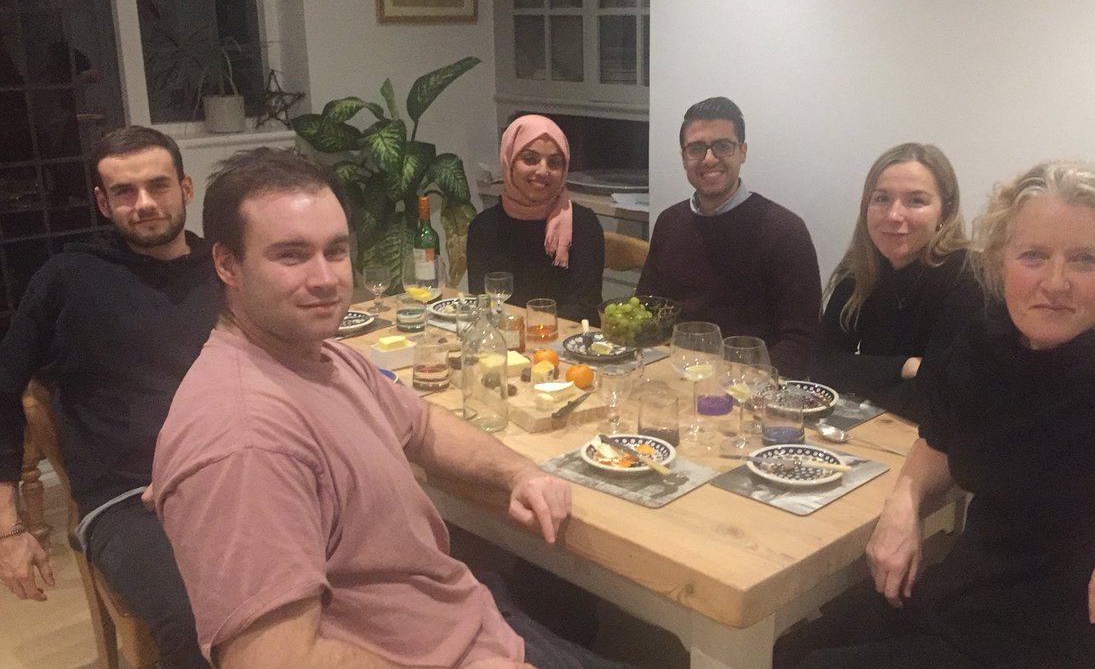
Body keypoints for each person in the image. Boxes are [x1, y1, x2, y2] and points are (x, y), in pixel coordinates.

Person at [153, 147, 628, 669]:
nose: (326, 277)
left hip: (467, 623)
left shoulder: (321, 356)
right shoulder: (245, 442)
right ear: (227, 264)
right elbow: (275, 660)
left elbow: (421, 424)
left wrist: (520, 473)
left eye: (336, 250)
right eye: (291, 255)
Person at [780, 161, 1095, 668]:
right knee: (786, 647)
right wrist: (904, 503)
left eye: (1084, 259)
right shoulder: (986, 341)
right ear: (1000, 260)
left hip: (1070, 637)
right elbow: (938, 438)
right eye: (1034, 255)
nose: (1055, 282)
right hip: (974, 593)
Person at [0, 125, 217, 667]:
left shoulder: (224, 269)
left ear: (185, 188)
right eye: (124, 191)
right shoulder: (69, 277)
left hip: (236, 471)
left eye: (158, 185)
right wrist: (8, 526)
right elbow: (3, 385)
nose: (144, 204)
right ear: (103, 202)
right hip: (127, 500)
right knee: (197, 621)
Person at [637, 96, 821, 380]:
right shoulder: (669, 222)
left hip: (750, 388)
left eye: (723, 146)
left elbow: (800, 343)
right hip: (675, 376)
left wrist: (738, 385)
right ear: (684, 157)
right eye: (696, 148)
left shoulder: (785, 231)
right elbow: (647, 310)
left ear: (742, 152)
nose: (709, 158)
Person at [809, 143, 983, 421]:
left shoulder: (969, 277)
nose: (893, 215)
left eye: (916, 201)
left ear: (945, 212)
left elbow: (942, 397)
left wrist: (861, 377)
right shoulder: (860, 269)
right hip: (877, 429)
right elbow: (821, 367)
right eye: (881, 199)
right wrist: (905, 367)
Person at [468, 114, 604, 321]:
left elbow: (583, 308)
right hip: (504, 335)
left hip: (563, 337)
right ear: (509, 161)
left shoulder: (583, 225)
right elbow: (482, 302)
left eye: (554, 162)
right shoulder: (483, 227)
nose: (543, 171)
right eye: (530, 159)